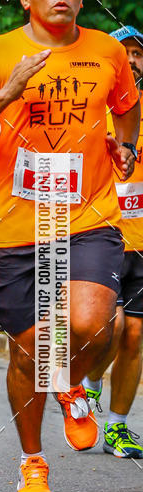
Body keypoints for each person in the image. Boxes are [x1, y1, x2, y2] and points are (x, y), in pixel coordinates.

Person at [0, 0, 140, 492]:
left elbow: (127, 106)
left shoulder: (107, 51)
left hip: (87, 216)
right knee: (28, 356)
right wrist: (7, 93)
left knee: (95, 323)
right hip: (16, 226)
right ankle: (33, 462)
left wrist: (125, 145)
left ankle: (71, 383)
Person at [82, 25, 143, 459]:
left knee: (135, 335)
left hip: (141, 242)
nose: (133, 60)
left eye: (139, 54)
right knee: (112, 326)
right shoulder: (88, 110)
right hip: (99, 235)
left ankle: (117, 428)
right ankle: (90, 382)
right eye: (125, 53)